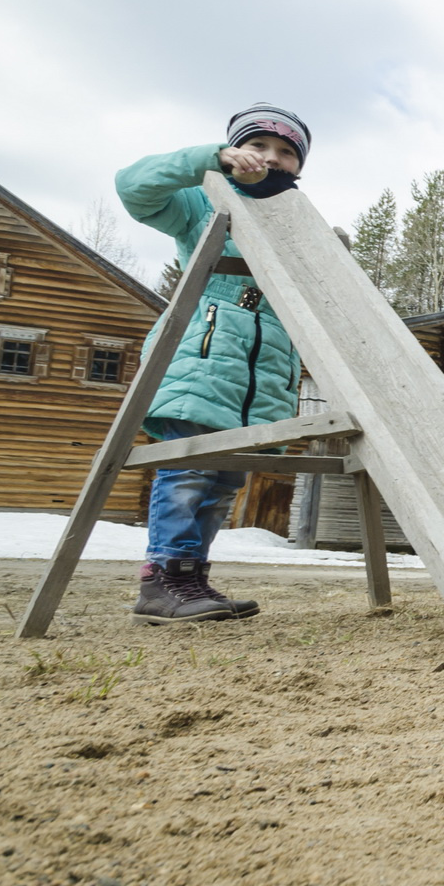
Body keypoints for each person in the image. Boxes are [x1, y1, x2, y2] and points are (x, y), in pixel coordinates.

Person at [116, 104, 310, 623]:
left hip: (262, 378)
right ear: (235, 151)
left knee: (224, 482)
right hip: (202, 361)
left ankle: (192, 579)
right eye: (259, 145)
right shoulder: (201, 204)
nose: (270, 158)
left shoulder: (292, 223)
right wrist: (209, 161)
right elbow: (134, 186)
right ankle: (162, 581)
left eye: (286, 152)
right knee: (189, 469)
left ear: (298, 168)